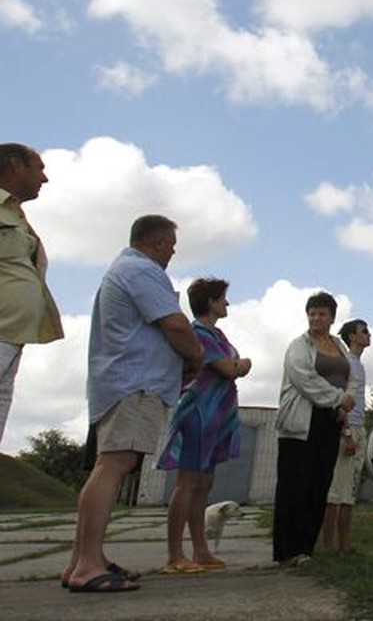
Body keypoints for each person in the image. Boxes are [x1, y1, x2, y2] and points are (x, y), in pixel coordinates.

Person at [62, 214, 204, 593]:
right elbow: (175, 324)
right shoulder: (141, 271)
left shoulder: (122, 270)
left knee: (108, 465)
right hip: (135, 384)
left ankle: (84, 557)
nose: (172, 253)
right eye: (171, 246)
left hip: (122, 382)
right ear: (156, 243)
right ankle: (88, 566)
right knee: (114, 464)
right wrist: (195, 358)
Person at [157, 277, 252, 574]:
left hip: (217, 417)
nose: (226, 303)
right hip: (199, 413)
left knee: (203, 484)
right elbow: (228, 367)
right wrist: (240, 365)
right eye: (222, 298)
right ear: (210, 302)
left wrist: (237, 365)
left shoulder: (218, 335)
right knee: (188, 483)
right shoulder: (198, 333)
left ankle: (200, 550)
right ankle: (175, 555)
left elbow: (232, 364)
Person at [273, 290, 357, 567]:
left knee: (318, 484)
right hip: (302, 421)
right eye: (312, 313)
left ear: (332, 317)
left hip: (329, 421)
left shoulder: (339, 347)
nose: (316, 318)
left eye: (321, 314)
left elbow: (351, 377)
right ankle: (287, 550)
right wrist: (337, 399)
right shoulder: (299, 346)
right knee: (295, 484)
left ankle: (306, 547)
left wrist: (346, 403)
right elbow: (304, 378)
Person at [0, 143, 63, 446]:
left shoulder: (16, 215)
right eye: (40, 168)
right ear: (15, 166)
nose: (45, 178)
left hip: (12, 337)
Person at [321, 318, 370, 554]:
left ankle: (344, 545)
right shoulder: (346, 363)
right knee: (335, 493)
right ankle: (329, 545)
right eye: (364, 331)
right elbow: (341, 401)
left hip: (360, 428)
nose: (368, 335)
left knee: (349, 492)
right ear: (352, 336)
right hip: (347, 431)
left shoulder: (359, 365)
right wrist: (347, 433)